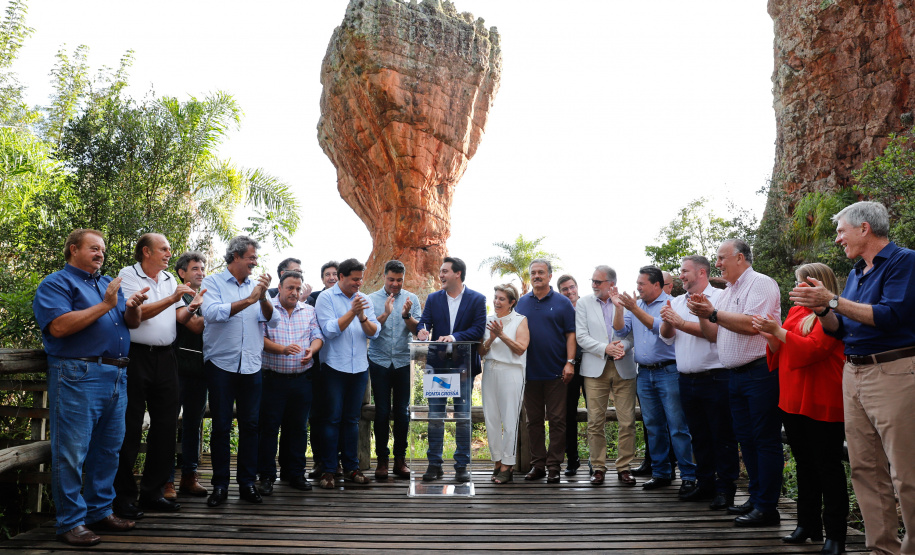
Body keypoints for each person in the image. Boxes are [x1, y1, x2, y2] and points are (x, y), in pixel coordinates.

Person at [790, 201, 915, 555]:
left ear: (864, 228)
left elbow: (890, 316)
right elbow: (840, 328)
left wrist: (831, 300)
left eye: (841, 231)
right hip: (853, 372)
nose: (837, 239)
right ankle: (882, 549)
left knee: (906, 473)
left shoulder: (905, 261)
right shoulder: (857, 272)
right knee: (865, 469)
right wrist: (822, 309)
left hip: (893, 372)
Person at [32, 229, 146, 546]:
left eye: (103, 250)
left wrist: (132, 306)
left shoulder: (106, 283)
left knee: (108, 450)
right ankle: (70, 522)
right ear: (73, 249)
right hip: (78, 373)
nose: (101, 254)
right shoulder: (56, 283)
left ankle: (99, 511)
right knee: (72, 453)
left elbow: (132, 324)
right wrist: (108, 303)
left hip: (116, 374)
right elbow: (59, 326)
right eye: (94, 248)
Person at [752, 263, 847, 554]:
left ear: (819, 285)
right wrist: (770, 335)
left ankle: (836, 534)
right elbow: (782, 350)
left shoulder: (833, 315)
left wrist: (778, 333)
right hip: (792, 397)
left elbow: (812, 350)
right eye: (797, 283)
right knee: (805, 464)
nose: (797, 289)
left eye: (802, 283)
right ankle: (807, 525)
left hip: (822, 396)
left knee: (828, 467)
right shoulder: (795, 312)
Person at [688, 238, 782, 527]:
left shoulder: (761, 283)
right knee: (747, 440)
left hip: (760, 372)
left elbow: (753, 324)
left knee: (764, 440)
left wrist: (712, 313)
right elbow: (713, 334)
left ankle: (767, 507)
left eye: (721, 258)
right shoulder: (728, 292)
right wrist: (702, 313)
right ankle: (756, 497)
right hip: (736, 376)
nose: (717, 264)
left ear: (740, 258)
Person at [114, 233, 201, 519]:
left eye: (169, 249)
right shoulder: (129, 275)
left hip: (166, 357)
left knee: (165, 426)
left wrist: (192, 306)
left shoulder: (168, 279)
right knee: (129, 426)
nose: (168, 253)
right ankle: (123, 498)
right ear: (146, 252)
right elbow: (137, 314)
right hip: (136, 356)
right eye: (163, 249)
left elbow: (179, 317)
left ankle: (153, 493)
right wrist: (174, 297)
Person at [201, 235, 278, 507]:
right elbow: (212, 314)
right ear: (235, 257)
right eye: (251, 258)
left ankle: (246, 484)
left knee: (251, 426)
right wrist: (249, 300)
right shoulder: (212, 282)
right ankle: (220, 485)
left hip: (252, 366)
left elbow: (273, 321)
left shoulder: (258, 288)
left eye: (255, 258)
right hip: (220, 365)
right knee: (221, 426)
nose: (255, 263)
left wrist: (263, 297)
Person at [660, 256, 738, 509]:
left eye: (685, 271)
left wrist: (680, 322)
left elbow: (714, 335)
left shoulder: (721, 298)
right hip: (686, 379)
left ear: (701, 272)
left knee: (722, 436)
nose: (680, 275)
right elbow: (667, 336)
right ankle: (705, 484)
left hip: (715, 377)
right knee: (699, 436)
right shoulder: (677, 301)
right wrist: (667, 320)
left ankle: (725, 489)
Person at [615, 266, 697, 497]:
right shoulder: (636, 305)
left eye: (642, 284)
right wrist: (619, 308)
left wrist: (633, 308)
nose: (638, 287)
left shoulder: (671, 304)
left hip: (669, 372)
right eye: (637, 283)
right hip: (644, 373)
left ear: (657, 285)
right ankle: (661, 473)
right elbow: (620, 331)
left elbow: (660, 329)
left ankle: (689, 477)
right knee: (653, 426)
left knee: (678, 427)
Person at [416, 256, 486, 483]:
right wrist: (422, 330)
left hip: (463, 367)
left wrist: (454, 337)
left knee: (463, 417)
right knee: (435, 416)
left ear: (458, 274)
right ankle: (434, 465)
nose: (441, 275)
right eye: (441, 271)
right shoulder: (433, 298)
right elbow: (424, 322)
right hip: (437, 367)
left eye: (445, 271)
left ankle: (462, 466)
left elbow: (478, 329)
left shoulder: (477, 299)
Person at [314, 258, 380, 488]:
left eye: (361, 279)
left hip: (359, 368)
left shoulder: (365, 300)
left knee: (352, 420)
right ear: (341, 277)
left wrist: (362, 316)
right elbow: (330, 330)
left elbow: (374, 332)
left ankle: (352, 467)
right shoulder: (326, 298)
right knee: (332, 419)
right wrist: (353, 312)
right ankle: (329, 470)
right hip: (334, 367)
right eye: (354, 279)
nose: (359, 283)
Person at [257, 270, 324, 495]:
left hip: (301, 380)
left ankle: (294, 473)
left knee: (297, 429)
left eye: (297, 288)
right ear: (280, 287)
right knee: (269, 429)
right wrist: (282, 350)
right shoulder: (267, 307)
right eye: (290, 288)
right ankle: (266, 476)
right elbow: (260, 338)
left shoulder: (309, 311)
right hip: (272, 380)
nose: (294, 292)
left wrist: (311, 350)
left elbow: (317, 336)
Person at [574, 265, 637, 486]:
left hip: (624, 366)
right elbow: (581, 337)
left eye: (597, 282)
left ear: (611, 283)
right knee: (594, 421)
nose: (593, 285)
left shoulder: (626, 303)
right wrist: (605, 348)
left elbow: (632, 336)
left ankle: (624, 467)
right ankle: (598, 467)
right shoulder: (583, 303)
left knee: (627, 421)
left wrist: (622, 347)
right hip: (595, 368)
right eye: (592, 281)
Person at [515, 260, 576, 484]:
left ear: (550, 276)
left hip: (556, 373)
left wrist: (570, 362)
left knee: (558, 421)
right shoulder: (522, 303)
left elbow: (571, 334)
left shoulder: (562, 303)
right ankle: (538, 465)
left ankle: (554, 467)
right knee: (533, 422)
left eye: (541, 272)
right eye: (533, 272)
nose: (537, 276)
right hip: (529, 373)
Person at [367, 260, 422, 480]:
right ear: (384, 277)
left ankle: (400, 460)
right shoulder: (371, 299)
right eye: (391, 279)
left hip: (403, 361)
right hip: (379, 361)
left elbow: (418, 331)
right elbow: (370, 331)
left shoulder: (412, 299)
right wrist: (386, 313)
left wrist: (407, 315)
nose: (395, 284)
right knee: (381, 411)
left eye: (399, 280)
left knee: (402, 411)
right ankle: (382, 460)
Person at [167, 251, 209, 498]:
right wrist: (219, 311)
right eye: (195, 268)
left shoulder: (206, 296)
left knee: (194, 425)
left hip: (200, 371)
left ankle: (189, 476)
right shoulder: (176, 294)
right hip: (176, 369)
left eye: (202, 268)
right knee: (168, 424)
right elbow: (193, 325)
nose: (201, 272)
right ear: (182, 273)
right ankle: (166, 480)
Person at [478, 283, 529, 484]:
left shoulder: (520, 320)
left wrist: (502, 335)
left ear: (511, 302)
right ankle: (497, 461)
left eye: (502, 299)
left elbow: (520, 348)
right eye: (495, 298)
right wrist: (491, 339)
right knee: (491, 418)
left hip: (511, 371)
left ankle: (508, 464)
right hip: (490, 370)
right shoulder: (488, 320)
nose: (497, 302)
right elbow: (481, 352)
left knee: (509, 420)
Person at [306, 260, 339, 479]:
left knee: (338, 415)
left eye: (335, 274)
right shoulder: (313, 299)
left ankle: (338, 461)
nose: (332, 277)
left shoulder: (350, 299)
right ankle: (319, 461)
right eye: (327, 274)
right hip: (316, 366)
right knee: (317, 415)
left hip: (339, 365)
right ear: (322, 278)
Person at [557, 274, 586, 476]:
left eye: (572, 287)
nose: (570, 292)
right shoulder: (560, 310)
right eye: (565, 289)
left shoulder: (588, 306)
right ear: (560, 292)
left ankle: (596, 463)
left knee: (595, 415)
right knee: (568, 414)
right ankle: (572, 460)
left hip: (591, 366)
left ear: (577, 287)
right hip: (569, 367)